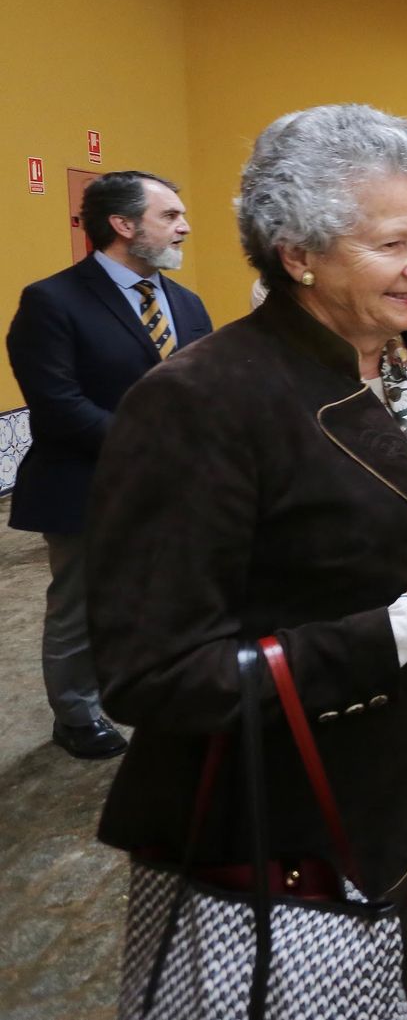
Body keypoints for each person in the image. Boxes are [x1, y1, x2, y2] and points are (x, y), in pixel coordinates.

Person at [85, 104, 407, 1020]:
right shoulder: (200, 401)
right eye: (394, 243)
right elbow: (151, 675)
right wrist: (396, 634)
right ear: (298, 253)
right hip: (298, 815)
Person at [6, 170, 212, 760]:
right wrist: (156, 445)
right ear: (123, 225)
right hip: (87, 485)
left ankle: (151, 686)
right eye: (170, 216)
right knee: (83, 604)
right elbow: (58, 406)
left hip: (180, 487)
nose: (185, 227)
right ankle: (75, 713)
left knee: (165, 593)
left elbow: (207, 386)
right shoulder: (52, 300)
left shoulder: (186, 302)